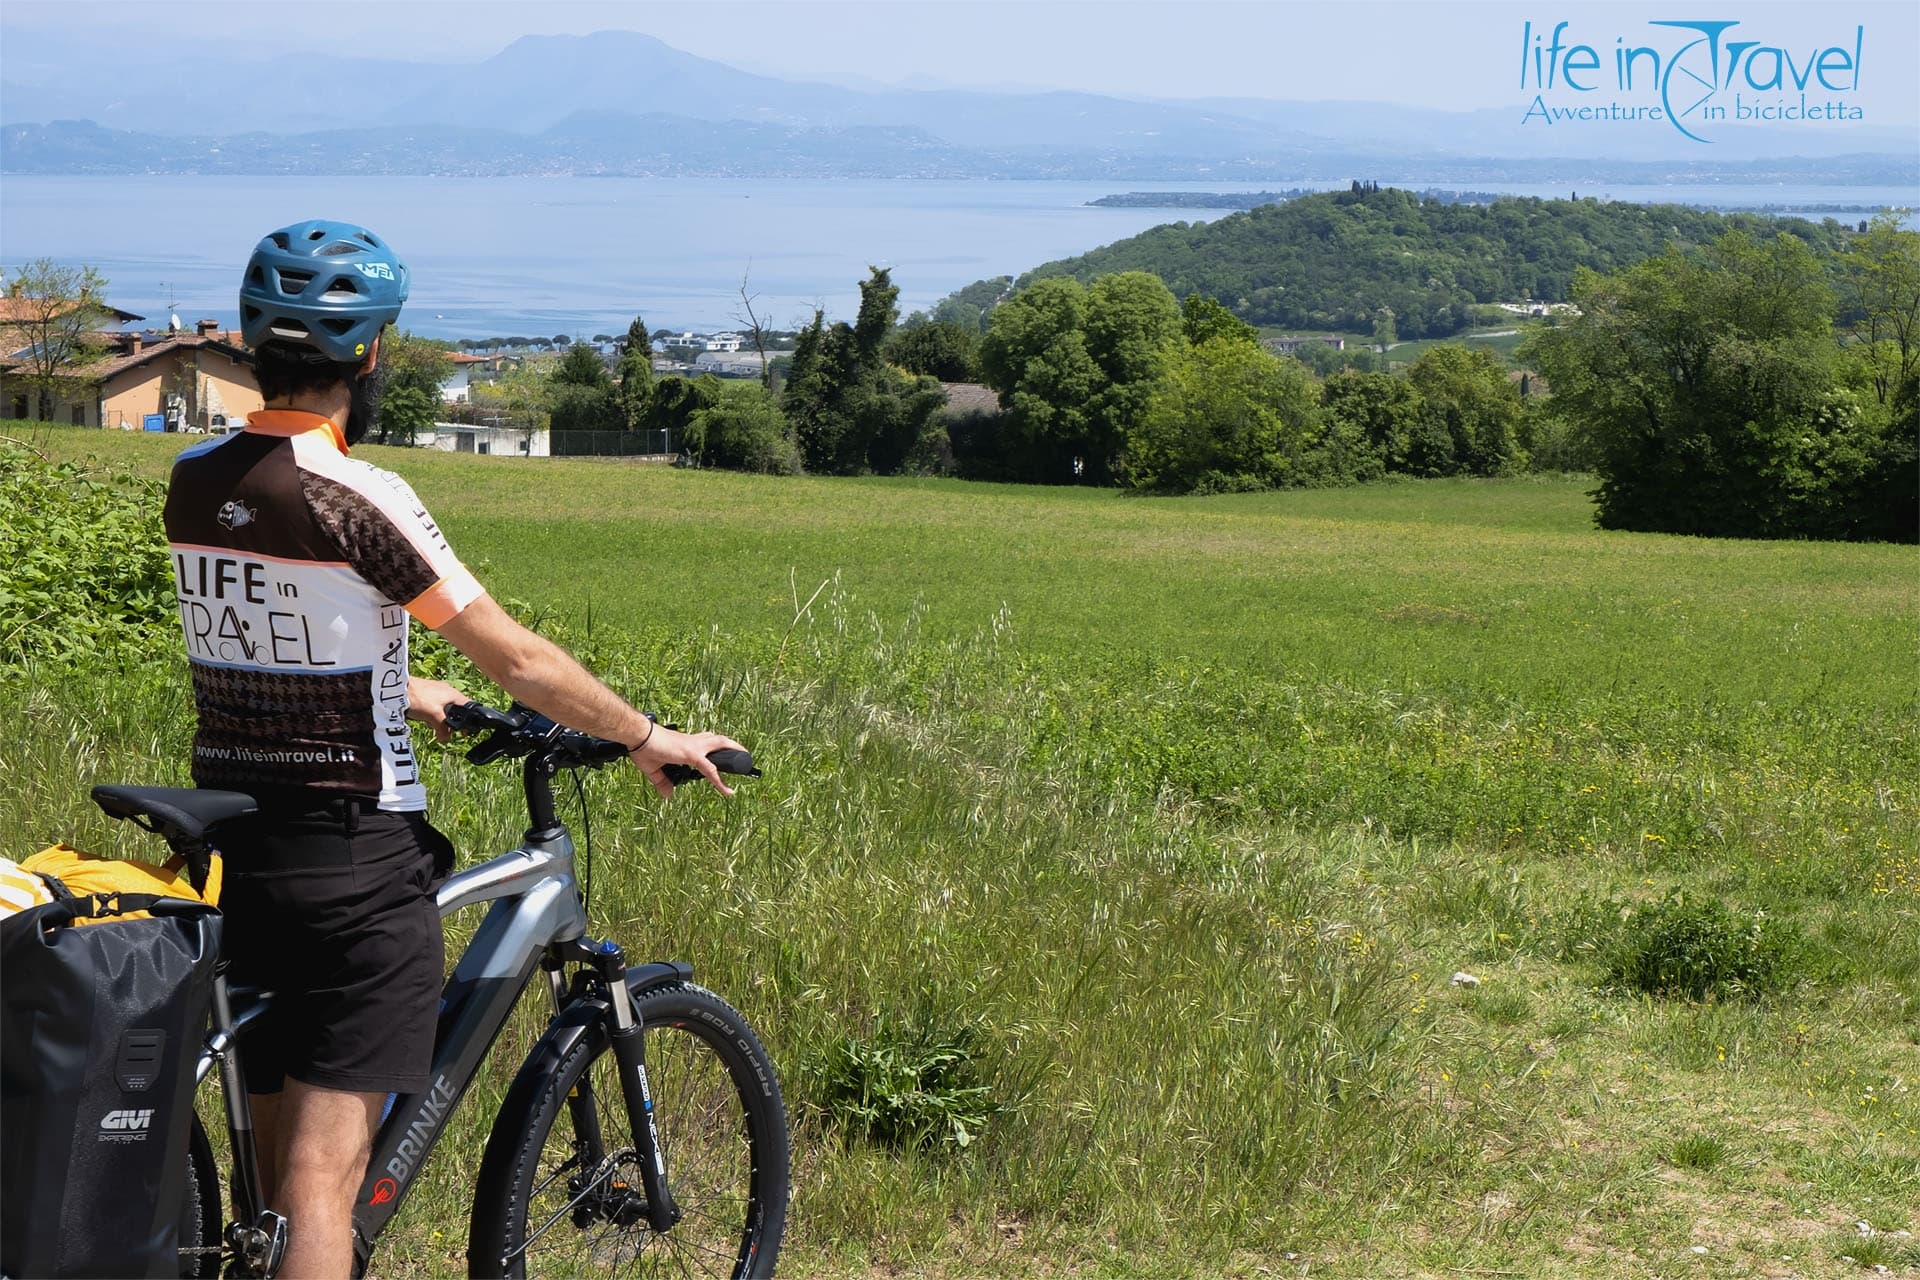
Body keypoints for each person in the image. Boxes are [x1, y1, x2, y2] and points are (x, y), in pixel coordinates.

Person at [162, 219, 742, 1278]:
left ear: (252, 344)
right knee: (322, 1189)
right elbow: (515, 656)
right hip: (351, 862)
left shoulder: (196, 477)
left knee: (274, 1192)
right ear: (371, 355)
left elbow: (266, 621)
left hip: (242, 851)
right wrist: (648, 734)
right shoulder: (361, 492)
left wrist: (394, 679)